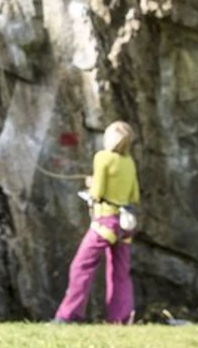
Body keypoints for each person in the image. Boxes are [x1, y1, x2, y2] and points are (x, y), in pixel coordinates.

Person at [52, 121, 140, 324]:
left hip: (106, 221)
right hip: (125, 224)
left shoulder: (102, 158)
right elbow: (134, 194)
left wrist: (92, 185)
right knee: (120, 272)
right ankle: (121, 317)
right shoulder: (129, 162)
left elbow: (98, 192)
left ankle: (69, 315)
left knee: (81, 266)